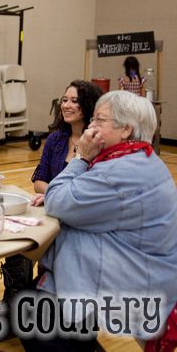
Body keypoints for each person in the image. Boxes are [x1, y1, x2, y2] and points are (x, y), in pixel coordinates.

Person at [19, 90, 177, 351]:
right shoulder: (138, 159)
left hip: (130, 278)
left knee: (36, 314)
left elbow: (58, 199)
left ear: (126, 129)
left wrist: (81, 157)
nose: (91, 127)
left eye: (99, 120)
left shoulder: (119, 171)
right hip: (137, 267)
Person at [0, 80, 103, 338]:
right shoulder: (55, 139)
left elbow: (90, 191)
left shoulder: (97, 144)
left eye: (74, 100)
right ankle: (13, 307)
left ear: (87, 106)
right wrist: (56, 193)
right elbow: (38, 180)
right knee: (19, 242)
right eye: (64, 99)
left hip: (78, 220)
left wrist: (56, 194)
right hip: (50, 211)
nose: (67, 105)